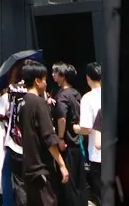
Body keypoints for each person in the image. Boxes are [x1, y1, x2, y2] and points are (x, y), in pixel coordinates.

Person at [14, 60, 68, 206]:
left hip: (28, 167)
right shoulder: (39, 103)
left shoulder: (21, 103)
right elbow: (48, 137)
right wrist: (62, 165)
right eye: (44, 80)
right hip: (41, 168)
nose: (46, 83)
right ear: (37, 81)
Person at [0, 63, 27, 206]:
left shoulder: (9, 96)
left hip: (6, 133)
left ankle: (4, 197)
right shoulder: (17, 95)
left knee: (4, 166)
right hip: (14, 135)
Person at [49, 63, 85, 206]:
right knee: (79, 181)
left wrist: (60, 138)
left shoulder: (62, 95)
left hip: (67, 144)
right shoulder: (76, 93)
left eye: (55, 72)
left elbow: (62, 118)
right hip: (78, 142)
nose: (53, 75)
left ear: (63, 76)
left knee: (68, 184)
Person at [75, 62, 104, 205]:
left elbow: (86, 128)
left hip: (97, 154)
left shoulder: (87, 98)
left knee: (101, 195)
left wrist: (75, 128)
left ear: (88, 78)